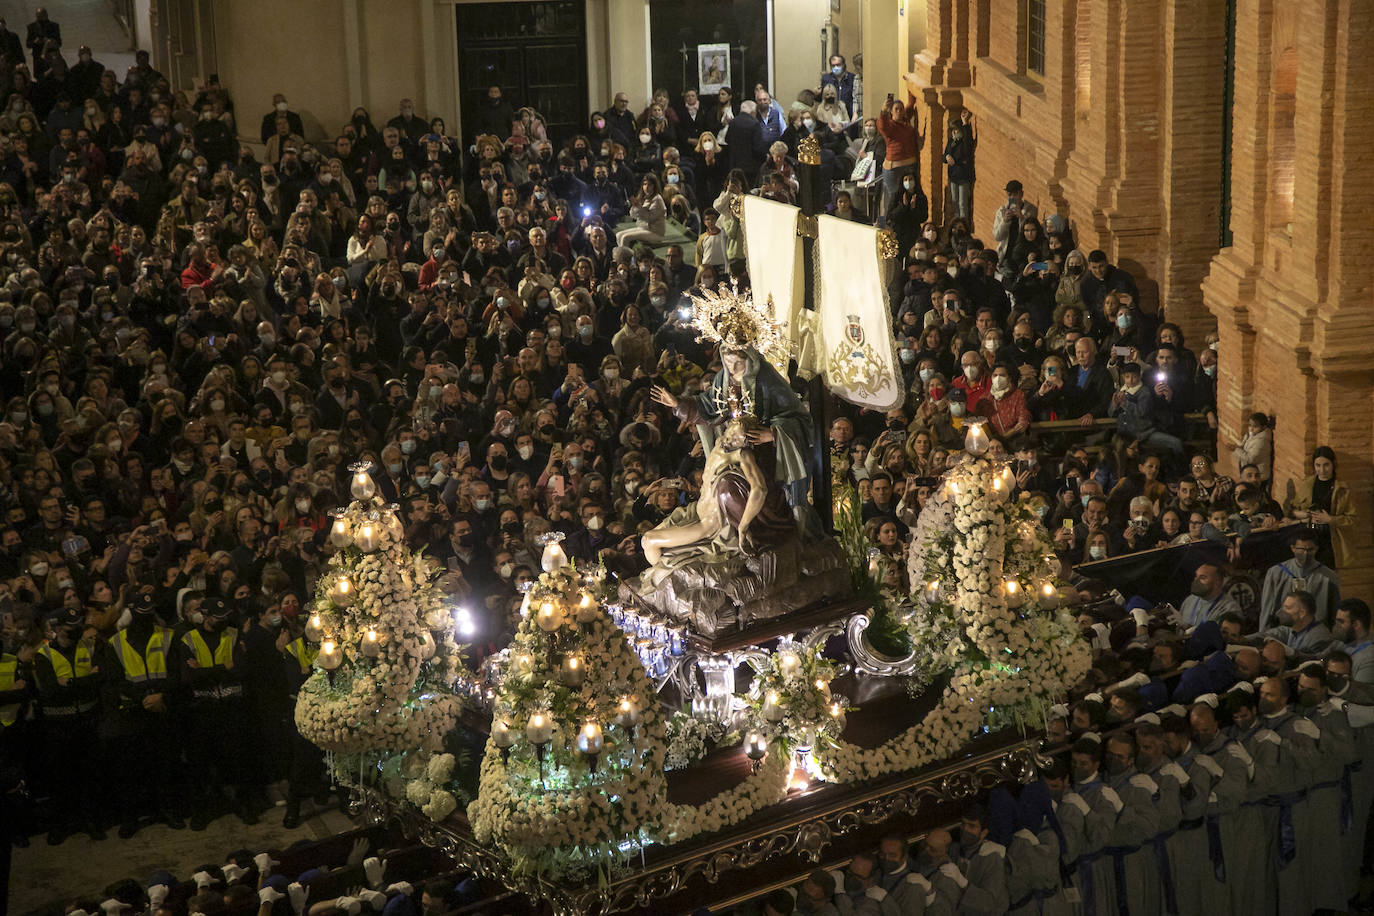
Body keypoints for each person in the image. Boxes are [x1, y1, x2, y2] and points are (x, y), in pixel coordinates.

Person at [1284, 444, 1354, 570]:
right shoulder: (1307, 484)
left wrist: (1330, 519)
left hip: (1330, 540)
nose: (1322, 470)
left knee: (1326, 574)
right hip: (1309, 536)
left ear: (1333, 464)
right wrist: (1302, 514)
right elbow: (1292, 510)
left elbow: (1352, 519)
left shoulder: (1342, 489)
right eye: (1318, 465)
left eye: (1326, 465)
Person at [1257, 529, 1339, 630]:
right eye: (1301, 549)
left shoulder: (1328, 576)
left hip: (1314, 631)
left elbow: (1334, 612)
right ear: (1293, 548)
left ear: (1316, 549)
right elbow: (1267, 609)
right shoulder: (1276, 573)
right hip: (1283, 630)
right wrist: (1263, 633)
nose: (1305, 554)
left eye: (1310, 550)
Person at [877, 91, 923, 228]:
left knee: (911, 196)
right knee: (895, 198)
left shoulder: (906, 121)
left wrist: (910, 87)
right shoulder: (890, 126)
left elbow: (910, 105)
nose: (899, 111)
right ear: (891, 112)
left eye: (900, 109)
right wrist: (883, 111)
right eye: (896, 109)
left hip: (909, 168)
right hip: (894, 170)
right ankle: (893, 226)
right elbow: (882, 124)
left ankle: (908, 224)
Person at [943, 109, 976, 220]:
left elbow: (967, 144)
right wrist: (946, 157)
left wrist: (965, 122)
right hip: (953, 177)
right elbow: (944, 155)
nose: (954, 133)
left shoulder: (964, 143)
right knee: (955, 202)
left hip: (963, 177)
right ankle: (956, 223)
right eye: (953, 131)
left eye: (956, 130)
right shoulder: (951, 142)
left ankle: (963, 224)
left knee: (962, 203)